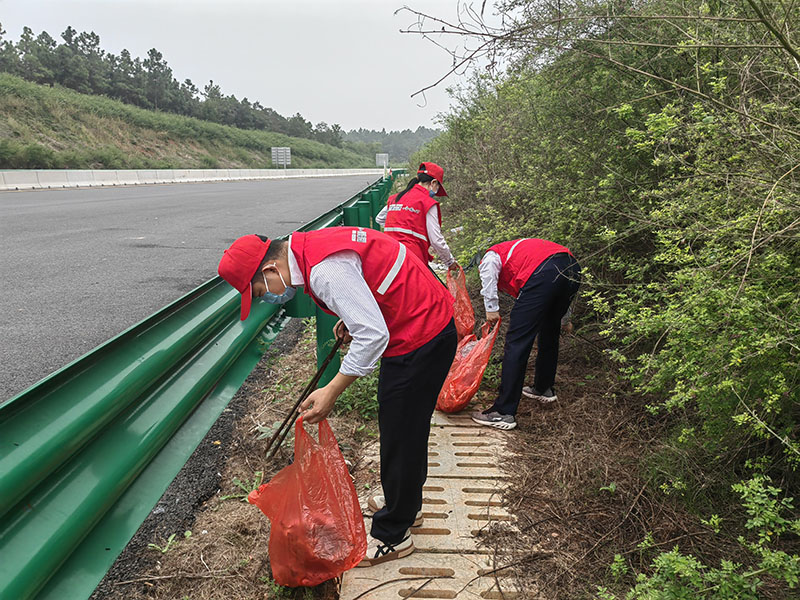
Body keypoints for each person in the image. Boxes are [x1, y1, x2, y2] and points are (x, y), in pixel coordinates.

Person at [217, 227, 457, 566]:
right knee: (404, 428)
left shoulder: (324, 270)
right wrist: (351, 317)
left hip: (421, 333)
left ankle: (394, 535)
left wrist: (332, 390)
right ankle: (404, 505)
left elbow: (373, 335)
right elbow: (366, 287)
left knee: (401, 432)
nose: (264, 298)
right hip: (421, 319)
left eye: (259, 291)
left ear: (271, 270)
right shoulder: (310, 248)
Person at [471, 238, 581, 430]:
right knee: (550, 330)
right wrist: (564, 320)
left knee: (517, 341)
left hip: (543, 273)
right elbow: (558, 281)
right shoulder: (525, 251)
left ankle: (504, 412)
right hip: (573, 268)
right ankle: (543, 388)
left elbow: (489, 271)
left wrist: (491, 307)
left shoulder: (492, 255)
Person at [376, 162, 459, 272]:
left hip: (389, 254)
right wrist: (450, 262)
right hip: (412, 259)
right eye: (438, 186)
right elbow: (436, 240)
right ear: (433, 182)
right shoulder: (427, 203)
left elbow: (380, 218)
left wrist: (400, 226)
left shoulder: (396, 198)